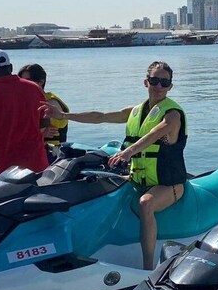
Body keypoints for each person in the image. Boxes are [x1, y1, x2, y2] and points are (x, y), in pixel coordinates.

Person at [50, 61, 186, 270]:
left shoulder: (173, 114)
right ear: (146, 82)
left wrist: (127, 152)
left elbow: (154, 134)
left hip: (169, 184)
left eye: (164, 82)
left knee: (146, 204)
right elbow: (100, 117)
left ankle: (147, 267)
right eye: (154, 80)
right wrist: (64, 116)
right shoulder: (135, 112)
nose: (159, 86)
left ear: (170, 86)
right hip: (138, 178)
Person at [0, 50, 49, 177]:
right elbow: (45, 122)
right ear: (11, 67)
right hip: (37, 163)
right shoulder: (35, 88)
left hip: (5, 168)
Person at [17, 63, 69, 146]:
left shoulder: (50, 102)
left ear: (41, 81)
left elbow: (54, 126)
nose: (23, 85)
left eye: (28, 81)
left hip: (52, 152)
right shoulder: (26, 101)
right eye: (21, 81)